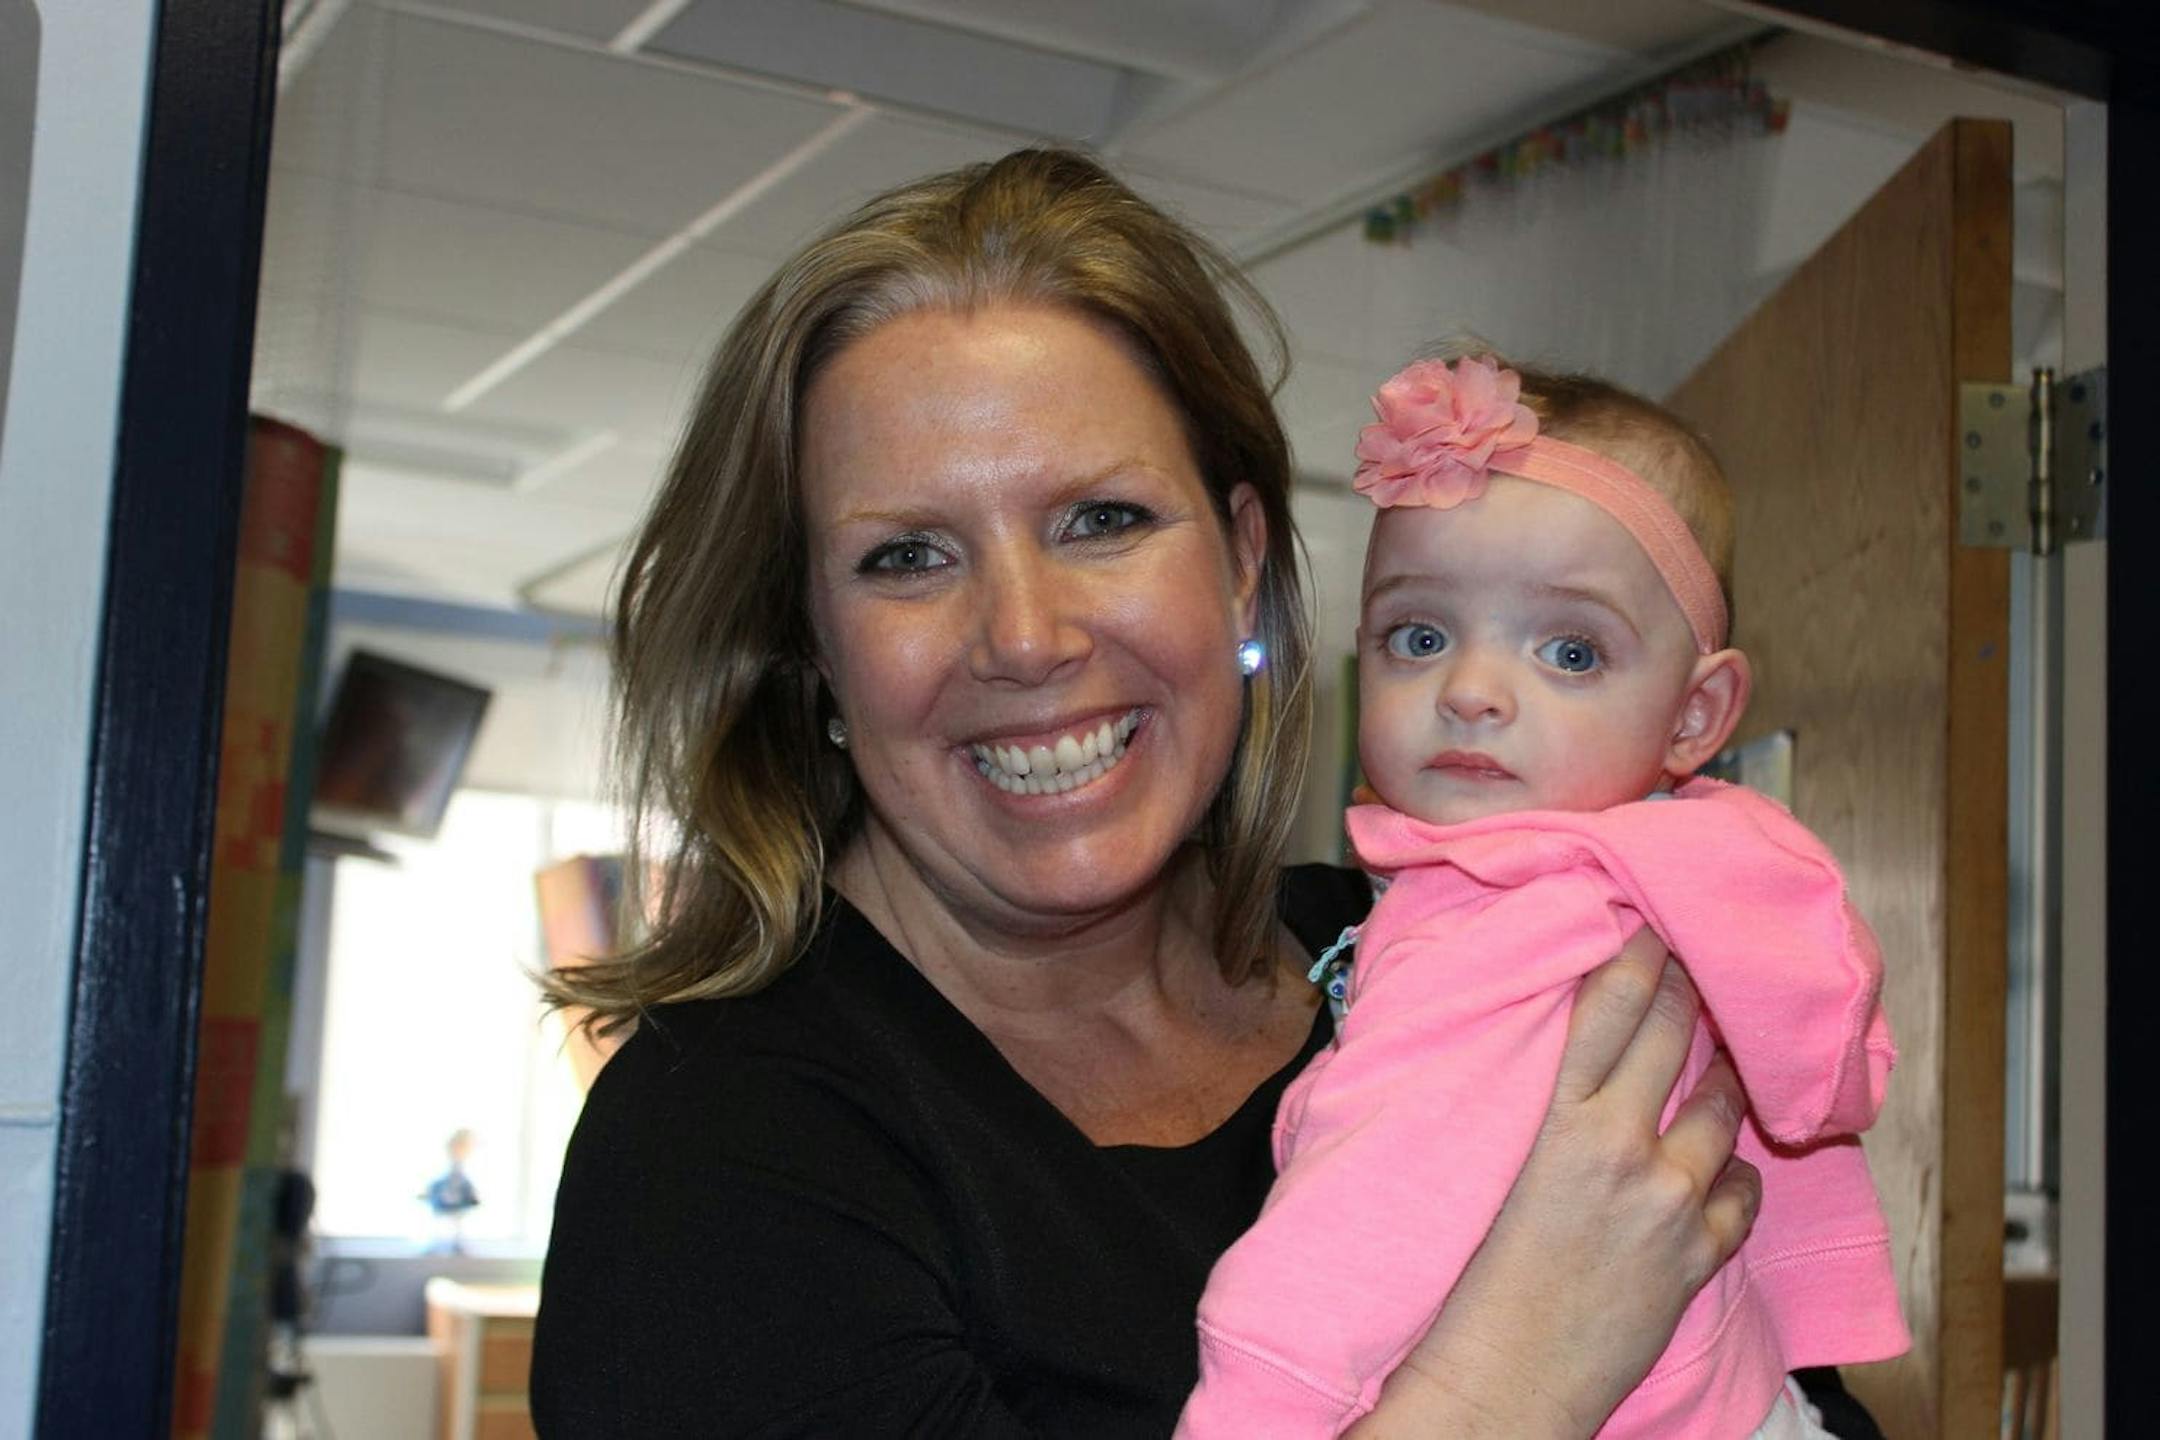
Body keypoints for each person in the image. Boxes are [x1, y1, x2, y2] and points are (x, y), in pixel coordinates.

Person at [530, 149, 1873, 1437]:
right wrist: (1508, 1389)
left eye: (1101, 522)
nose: (1026, 634)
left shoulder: (1453, 951)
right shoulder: (717, 1157)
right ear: (811, 643)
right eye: (909, 556)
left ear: (1241, 562)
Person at [1181, 356, 1907, 1439]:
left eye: (1570, 651)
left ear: (1696, 713)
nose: (1471, 691)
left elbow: (1365, 1215)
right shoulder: (1697, 878)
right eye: (1419, 637)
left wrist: (1252, 1406)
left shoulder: (1514, 925)